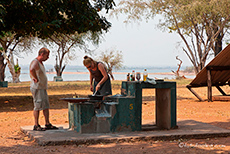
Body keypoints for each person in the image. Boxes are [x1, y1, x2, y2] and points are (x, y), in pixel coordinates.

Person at [29, 47, 58, 131]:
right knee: (37, 106)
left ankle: (47, 123)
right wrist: (35, 78)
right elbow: (31, 69)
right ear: (42, 54)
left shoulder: (40, 63)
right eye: (47, 55)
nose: (48, 57)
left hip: (42, 87)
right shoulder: (35, 62)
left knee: (45, 105)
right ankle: (36, 124)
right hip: (37, 88)